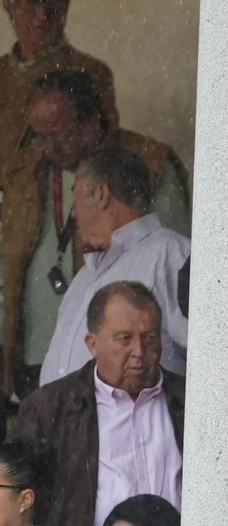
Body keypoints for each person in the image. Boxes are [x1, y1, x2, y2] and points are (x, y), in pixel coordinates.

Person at [1, 69, 186, 397]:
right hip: (32, 372)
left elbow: (205, 349)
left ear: (92, 121)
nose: (49, 147)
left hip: (131, 426)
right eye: (40, 136)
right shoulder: (28, 174)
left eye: (59, 134)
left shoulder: (167, 245)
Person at [13, 281, 182, 526]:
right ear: (93, 344)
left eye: (150, 338)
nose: (139, 352)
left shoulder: (187, 401)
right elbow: (12, 502)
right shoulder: (49, 408)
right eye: (125, 338)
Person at [38, 146, 189, 385]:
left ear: (101, 193)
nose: (74, 213)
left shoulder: (171, 254)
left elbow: (209, 353)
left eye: (75, 197)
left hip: (136, 419)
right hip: (63, 420)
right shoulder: (86, 275)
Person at [0, 0, 116, 173]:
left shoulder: (91, 71)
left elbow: (100, 156)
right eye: (31, 4)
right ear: (8, 4)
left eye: (52, 2)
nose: (43, 16)